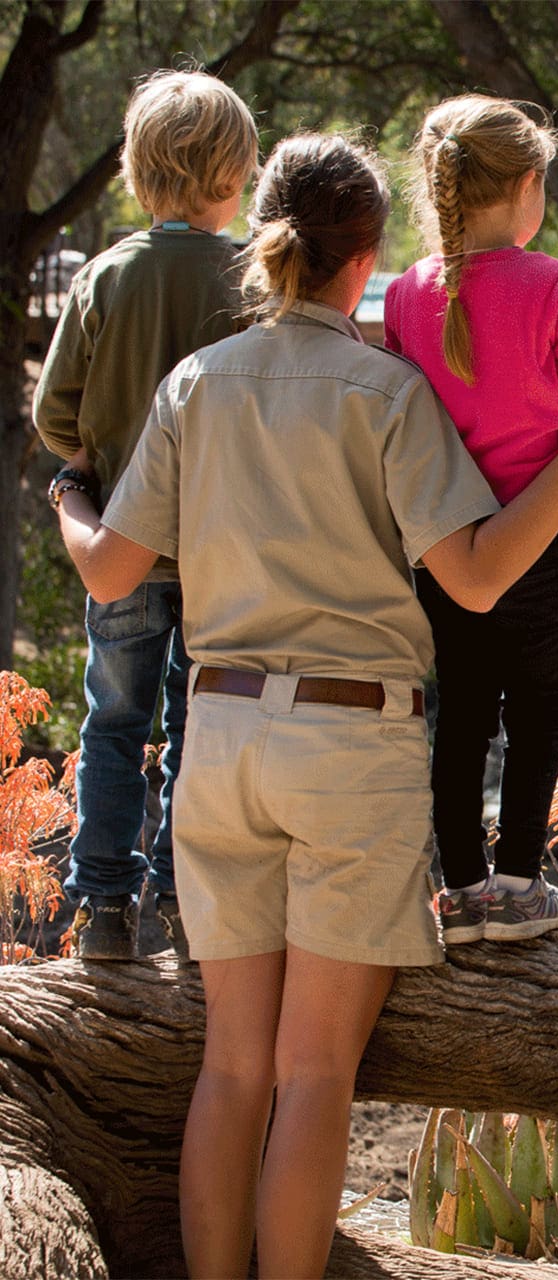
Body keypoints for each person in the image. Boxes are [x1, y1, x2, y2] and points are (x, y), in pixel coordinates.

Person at [53, 132, 558, 1278]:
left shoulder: (195, 382)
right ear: (367, 263)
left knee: (233, 1068)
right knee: (315, 1074)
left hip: (220, 743)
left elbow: (111, 571)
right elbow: (473, 576)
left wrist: (69, 497)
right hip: (350, 744)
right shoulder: (387, 392)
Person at [32, 70, 257, 960]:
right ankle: (179, 902)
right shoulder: (247, 277)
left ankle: (102, 912)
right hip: (219, 554)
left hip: (122, 540)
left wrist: (92, 454)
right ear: (236, 178)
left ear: (134, 171)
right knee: (200, 728)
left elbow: (57, 416)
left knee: (113, 725)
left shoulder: (107, 274)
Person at [383, 94, 558, 943]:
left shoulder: (409, 292)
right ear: (526, 185)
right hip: (535, 543)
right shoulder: (556, 284)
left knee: (463, 715)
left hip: (443, 545)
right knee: (538, 716)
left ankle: (461, 893)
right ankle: (520, 886)